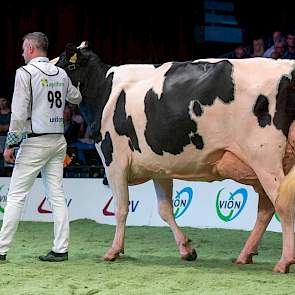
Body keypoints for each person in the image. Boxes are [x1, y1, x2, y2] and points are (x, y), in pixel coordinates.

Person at [0, 32, 82, 262]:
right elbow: (76, 98)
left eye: (24, 48)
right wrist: (65, 79)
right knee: (56, 195)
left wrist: (11, 144)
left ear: (32, 48)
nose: (22, 52)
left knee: (16, 195)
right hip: (58, 140)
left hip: (35, 141)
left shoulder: (24, 73)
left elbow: (18, 113)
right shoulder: (62, 73)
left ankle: (1, 249)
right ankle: (60, 249)